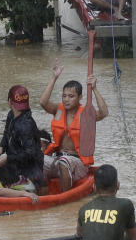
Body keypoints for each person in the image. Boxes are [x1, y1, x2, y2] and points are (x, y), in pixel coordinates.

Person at [39, 59, 109, 192]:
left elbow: (104, 113)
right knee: (36, 158)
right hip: (58, 159)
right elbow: (43, 102)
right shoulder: (57, 109)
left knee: (64, 162)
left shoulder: (86, 114)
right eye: (64, 96)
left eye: (71, 96)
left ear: (80, 97)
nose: (66, 99)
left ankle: (65, 197)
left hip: (78, 163)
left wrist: (94, 88)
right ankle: (42, 194)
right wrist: (54, 78)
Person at [64, 164, 136, 240]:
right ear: (118, 185)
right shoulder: (126, 205)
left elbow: (79, 235)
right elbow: (133, 239)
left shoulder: (84, 208)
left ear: (94, 187)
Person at [0, 85, 45, 189]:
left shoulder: (26, 125)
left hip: (28, 168)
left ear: (9, 101)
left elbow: (31, 153)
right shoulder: (11, 115)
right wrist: (1, 147)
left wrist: (8, 158)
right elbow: (6, 134)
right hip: (12, 164)